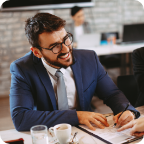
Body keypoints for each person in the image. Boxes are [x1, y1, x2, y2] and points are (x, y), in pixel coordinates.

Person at [10, 13, 140, 131]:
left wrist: (127, 110)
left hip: (88, 130)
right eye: (55, 46)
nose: (66, 49)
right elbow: (21, 118)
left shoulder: (89, 58)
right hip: (50, 133)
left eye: (66, 39)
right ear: (37, 52)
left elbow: (112, 93)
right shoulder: (22, 69)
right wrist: (76, 116)